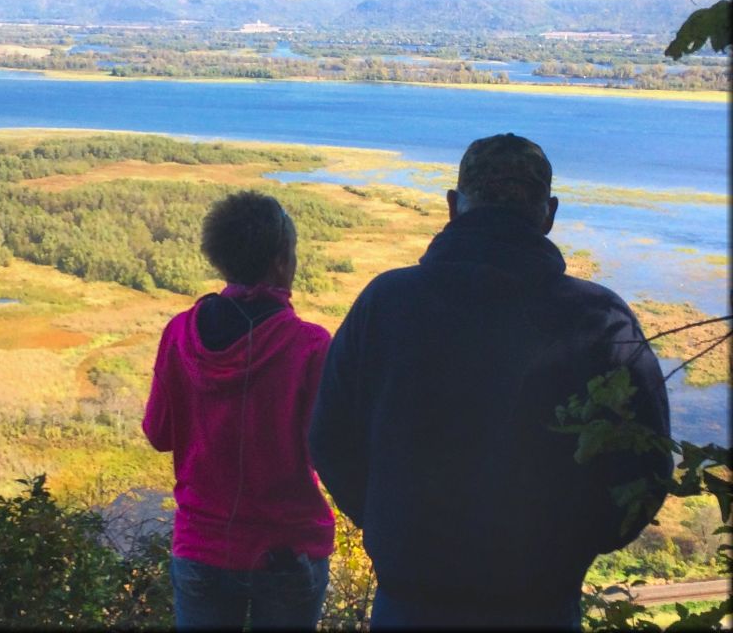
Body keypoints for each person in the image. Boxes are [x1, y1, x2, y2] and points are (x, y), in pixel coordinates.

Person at [309, 133, 672, 629]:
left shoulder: (387, 303)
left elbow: (328, 438)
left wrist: (388, 524)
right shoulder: (598, 319)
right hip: (540, 604)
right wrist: (571, 549)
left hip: (410, 601)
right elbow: (645, 465)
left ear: (454, 207)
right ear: (549, 214)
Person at [143, 190, 334, 630]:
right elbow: (326, 449)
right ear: (281, 263)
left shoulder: (179, 332)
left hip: (201, 548)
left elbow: (159, 435)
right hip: (288, 551)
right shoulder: (309, 345)